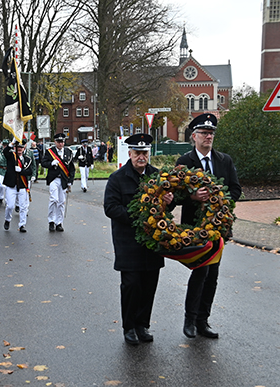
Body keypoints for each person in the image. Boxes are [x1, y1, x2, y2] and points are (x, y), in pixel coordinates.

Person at [175, 113, 241, 339]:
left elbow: (235, 189)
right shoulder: (185, 162)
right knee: (200, 270)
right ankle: (190, 319)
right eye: (204, 133)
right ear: (194, 136)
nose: (208, 137)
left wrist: (221, 201)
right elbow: (175, 194)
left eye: (211, 133)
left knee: (212, 274)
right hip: (194, 228)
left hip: (218, 227)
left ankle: (203, 320)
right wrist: (193, 197)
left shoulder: (224, 160)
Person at [103, 133, 174, 345]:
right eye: (137, 153)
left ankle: (143, 325)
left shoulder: (157, 176)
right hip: (128, 241)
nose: (141, 157)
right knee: (131, 285)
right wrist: (139, 217)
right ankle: (129, 327)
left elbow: (167, 205)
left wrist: (170, 201)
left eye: (144, 153)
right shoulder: (117, 178)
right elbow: (111, 208)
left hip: (152, 242)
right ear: (130, 153)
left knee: (149, 284)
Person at [41, 133, 75, 232]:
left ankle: (59, 222)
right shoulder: (50, 152)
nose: (61, 144)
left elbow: (71, 168)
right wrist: (51, 163)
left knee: (61, 202)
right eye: (59, 142)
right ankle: (51, 221)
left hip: (64, 180)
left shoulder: (68, 152)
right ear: (55, 142)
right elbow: (43, 163)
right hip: (54, 179)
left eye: (62, 142)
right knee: (53, 199)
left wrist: (70, 181)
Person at [2, 139, 34, 232]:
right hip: (11, 185)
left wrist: (21, 171)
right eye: (18, 147)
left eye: (21, 147)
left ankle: (22, 225)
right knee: (10, 206)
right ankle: (7, 219)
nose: (19, 149)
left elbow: (30, 171)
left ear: (24, 148)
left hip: (22, 185)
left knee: (23, 206)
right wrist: (12, 143)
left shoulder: (28, 159)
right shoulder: (11, 156)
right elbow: (5, 151)